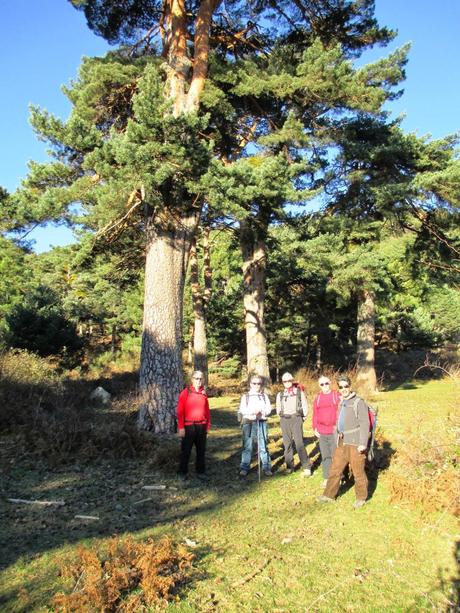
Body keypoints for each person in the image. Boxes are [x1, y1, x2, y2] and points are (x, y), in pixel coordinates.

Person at [318, 376, 369, 508]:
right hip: (342, 442)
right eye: (341, 387)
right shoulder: (342, 402)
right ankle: (329, 495)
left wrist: (363, 443)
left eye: (346, 386)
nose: (344, 389)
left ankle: (361, 498)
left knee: (358, 472)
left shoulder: (359, 402)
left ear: (350, 387)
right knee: (335, 469)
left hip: (355, 442)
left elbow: (365, 423)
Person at [275, 372, 312, 476]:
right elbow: (278, 409)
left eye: (289, 380)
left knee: (299, 443)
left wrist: (302, 419)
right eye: (285, 381)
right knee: (287, 444)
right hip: (284, 419)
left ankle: (306, 467)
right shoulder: (280, 394)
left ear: (292, 381)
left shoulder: (299, 392)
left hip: (296, 418)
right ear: (282, 382)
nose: (287, 382)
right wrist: (282, 418)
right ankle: (289, 466)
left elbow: (305, 407)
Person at [177, 371, 211, 481]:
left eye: (201, 379)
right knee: (186, 451)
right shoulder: (185, 393)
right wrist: (181, 427)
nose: (198, 381)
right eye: (196, 378)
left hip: (201, 426)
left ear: (203, 380)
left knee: (201, 451)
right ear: (192, 379)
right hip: (188, 426)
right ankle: (182, 472)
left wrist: (207, 426)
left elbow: (207, 411)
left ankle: (200, 472)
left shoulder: (204, 393)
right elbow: (180, 412)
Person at [238, 375, 273, 477]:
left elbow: (268, 409)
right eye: (254, 383)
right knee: (247, 446)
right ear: (250, 384)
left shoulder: (264, 396)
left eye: (259, 383)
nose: (257, 385)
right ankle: (244, 467)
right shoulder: (246, 396)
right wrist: (252, 412)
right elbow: (242, 410)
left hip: (261, 422)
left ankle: (266, 467)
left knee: (263, 445)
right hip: (248, 422)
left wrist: (262, 412)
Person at [312, 376, 341, 487]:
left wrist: (339, 428)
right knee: (325, 456)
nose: (324, 386)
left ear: (330, 383)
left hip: (334, 431)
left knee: (336, 456)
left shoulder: (336, 395)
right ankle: (326, 477)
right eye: (322, 384)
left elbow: (342, 411)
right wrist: (315, 428)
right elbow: (315, 414)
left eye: (326, 383)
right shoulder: (318, 398)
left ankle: (339, 477)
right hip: (322, 432)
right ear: (319, 386)